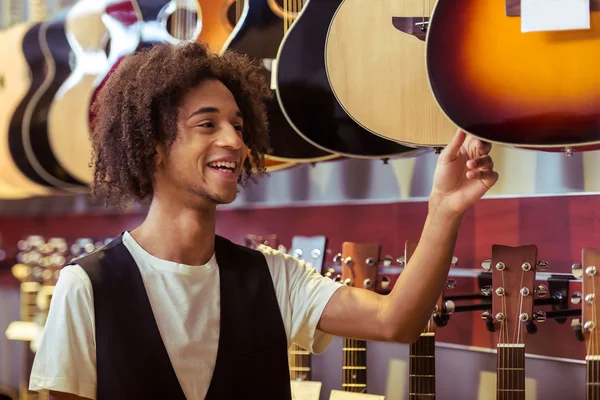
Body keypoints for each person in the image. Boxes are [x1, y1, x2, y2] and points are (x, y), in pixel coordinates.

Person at [28, 42, 498, 400]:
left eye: (238, 123)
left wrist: (445, 207)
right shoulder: (86, 286)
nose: (235, 140)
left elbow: (397, 321)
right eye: (208, 124)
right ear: (151, 145)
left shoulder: (274, 276)